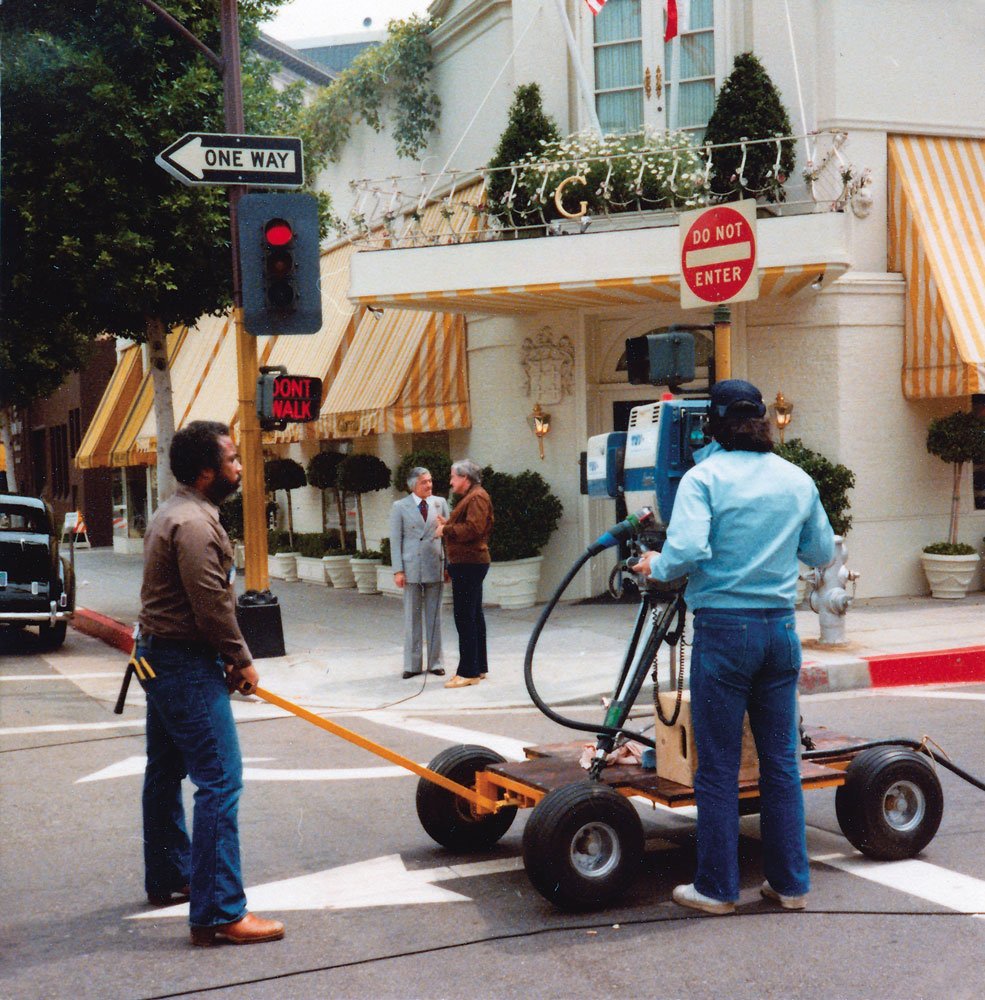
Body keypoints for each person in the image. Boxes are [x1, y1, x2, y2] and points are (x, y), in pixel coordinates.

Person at [632, 380, 834, 916]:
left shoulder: (705, 478)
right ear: (763, 421)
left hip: (725, 631)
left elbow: (690, 549)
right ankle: (790, 884)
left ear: (712, 427)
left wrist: (658, 566)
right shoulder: (797, 479)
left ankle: (718, 889)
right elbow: (820, 550)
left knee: (718, 766)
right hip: (780, 631)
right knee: (780, 761)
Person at [136, 420, 284, 947]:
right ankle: (220, 911)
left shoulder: (172, 512)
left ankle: (172, 876)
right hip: (182, 663)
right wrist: (240, 659)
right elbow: (211, 605)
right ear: (205, 472)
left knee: (165, 770)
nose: (239, 467)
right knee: (220, 781)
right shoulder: (196, 525)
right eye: (232, 459)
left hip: (158, 657)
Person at [434, 459, 494, 688]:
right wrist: (449, 522)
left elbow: (474, 529)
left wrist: (445, 529)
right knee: (473, 615)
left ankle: (468, 671)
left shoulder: (476, 497)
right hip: (470, 562)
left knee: (465, 617)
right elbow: (471, 525)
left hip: (469, 563)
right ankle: (478, 667)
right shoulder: (474, 496)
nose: (450, 482)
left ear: (465, 478)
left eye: (453, 477)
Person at [389, 467, 449, 679]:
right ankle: (412, 665)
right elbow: (395, 540)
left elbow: (448, 537)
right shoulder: (400, 506)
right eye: (424, 482)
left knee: (435, 616)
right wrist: (398, 570)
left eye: (430, 481)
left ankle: (436, 662)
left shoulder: (440, 503)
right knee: (412, 617)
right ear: (413, 485)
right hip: (411, 566)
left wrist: (448, 565)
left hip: (435, 565)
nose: (429, 485)